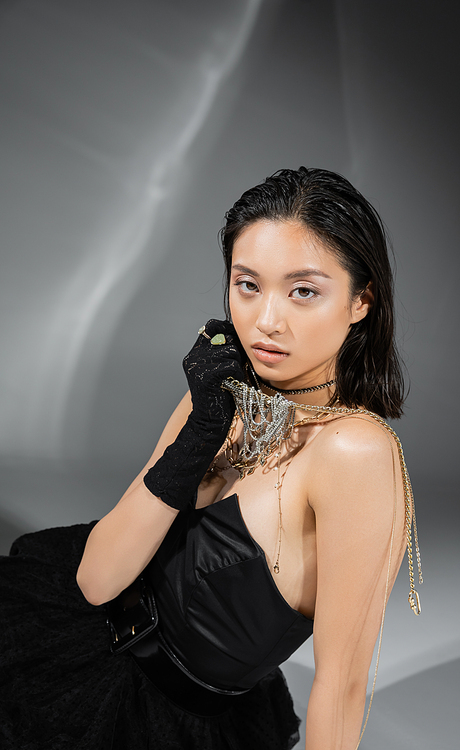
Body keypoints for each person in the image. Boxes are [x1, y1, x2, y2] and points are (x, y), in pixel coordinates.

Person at [0, 167, 422, 750]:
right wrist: (201, 429)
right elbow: (98, 581)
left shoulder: (354, 452)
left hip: (169, 718)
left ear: (361, 301)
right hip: (75, 643)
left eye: (304, 291)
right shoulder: (224, 394)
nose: (266, 321)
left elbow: (343, 684)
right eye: (248, 284)